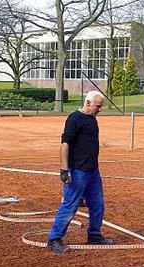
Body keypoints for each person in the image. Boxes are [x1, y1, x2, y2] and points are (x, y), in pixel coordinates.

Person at [47, 91, 114, 254]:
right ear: (88, 103)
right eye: (98, 106)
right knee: (70, 205)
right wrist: (64, 169)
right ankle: (54, 238)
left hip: (92, 170)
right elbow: (65, 144)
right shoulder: (75, 118)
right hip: (77, 171)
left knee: (97, 204)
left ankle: (94, 235)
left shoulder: (92, 119)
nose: (100, 109)